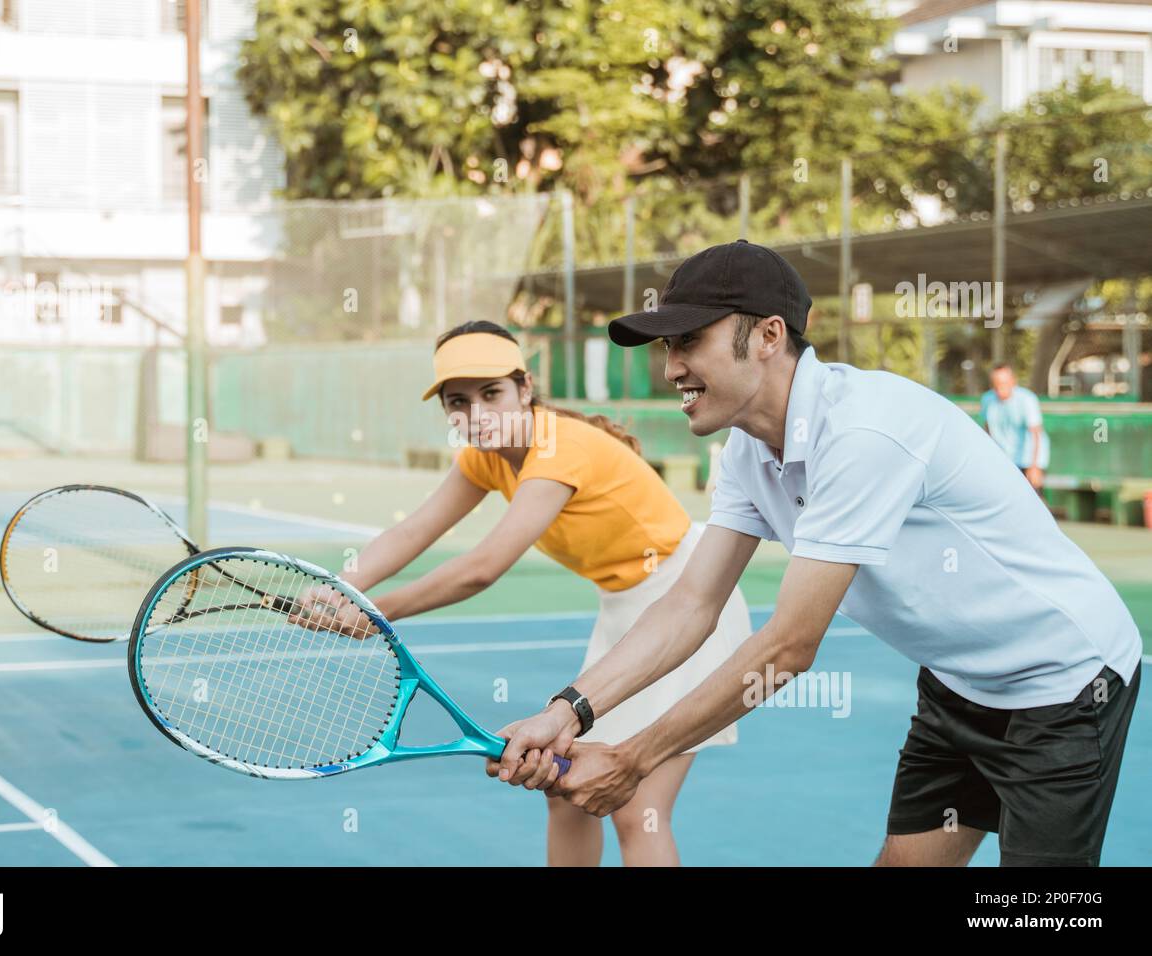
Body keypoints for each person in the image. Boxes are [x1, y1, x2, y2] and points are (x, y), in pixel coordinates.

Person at [489, 240, 1142, 867]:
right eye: (667, 345)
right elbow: (691, 601)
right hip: (959, 684)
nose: (671, 368)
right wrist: (566, 710)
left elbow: (789, 648)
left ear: (770, 336)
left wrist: (633, 758)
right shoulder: (748, 449)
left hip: (1065, 684)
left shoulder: (862, 433)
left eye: (690, 340)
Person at [316, 319, 751, 866]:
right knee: (564, 789)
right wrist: (337, 588)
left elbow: (484, 567)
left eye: (492, 393)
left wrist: (376, 613)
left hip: (689, 597)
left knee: (636, 807)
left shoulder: (557, 448)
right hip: (625, 611)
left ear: (525, 388)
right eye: (459, 401)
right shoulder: (484, 457)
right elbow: (412, 531)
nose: (478, 414)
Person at [981, 364, 1050, 491]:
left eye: (1003, 383)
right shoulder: (987, 400)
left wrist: (1034, 467)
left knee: (1032, 503)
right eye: (996, 383)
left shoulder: (1027, 399)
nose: (999, 387)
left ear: (1013, 381)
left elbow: (1036, 434)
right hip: (1004, 461)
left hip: (1027, 461)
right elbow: (987, 430)